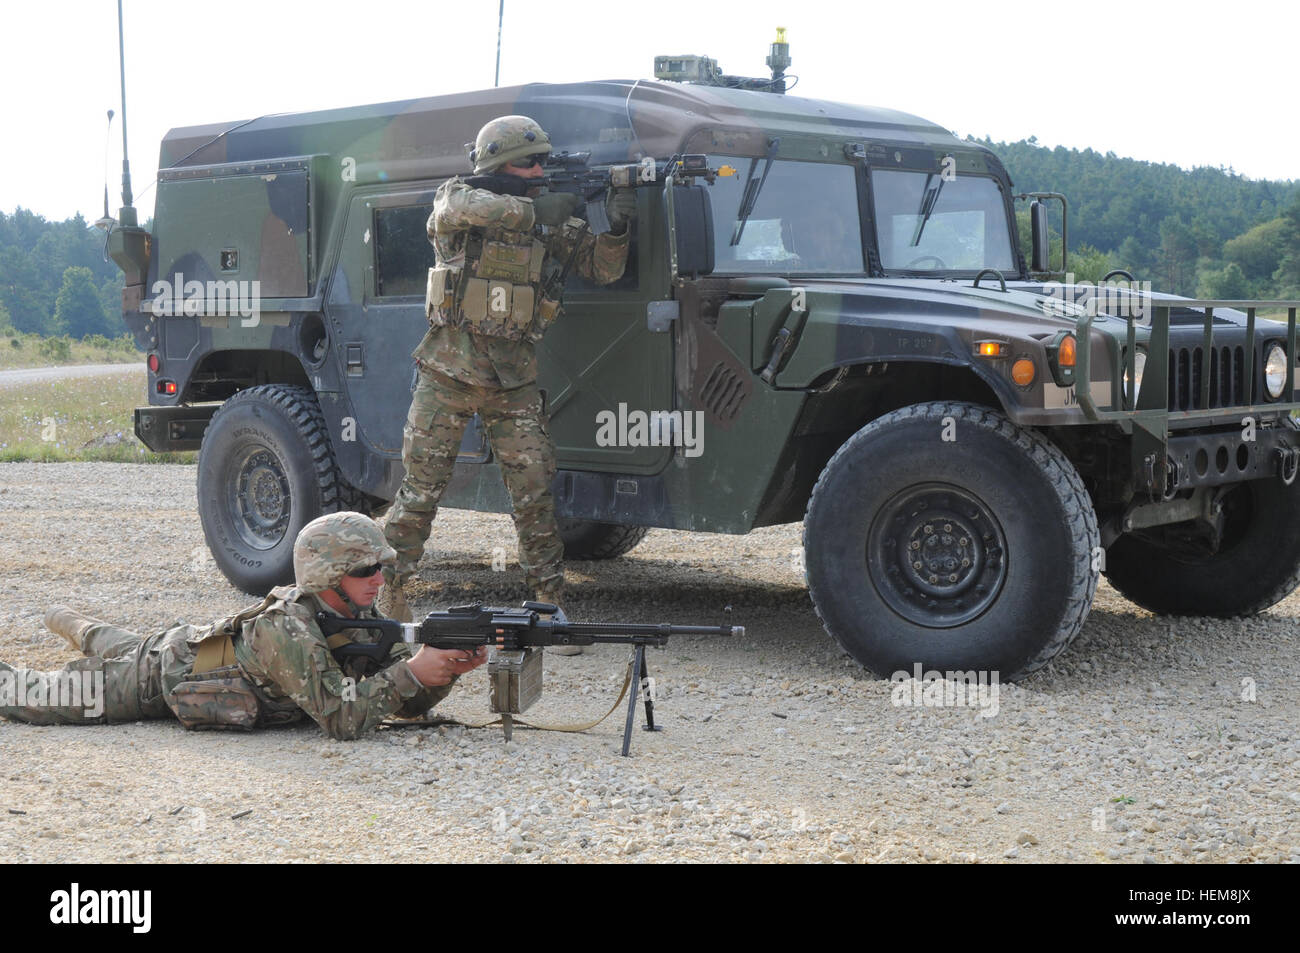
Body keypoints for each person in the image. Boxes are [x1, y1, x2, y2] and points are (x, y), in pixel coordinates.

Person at [380, 115, 636, 657]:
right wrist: (535, 207)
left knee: (535, 497)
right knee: (420, 494)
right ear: (497, 165)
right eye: (529, 162)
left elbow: (602, 268)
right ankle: (390, 599)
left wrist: (618, 223)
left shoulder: (546, 224)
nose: (540, 171)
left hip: (513, 381)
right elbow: (457, 207)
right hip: (447, 374)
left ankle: (547, 605)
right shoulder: (459, 202)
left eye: (544, 162)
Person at [0, 512, 486, 739]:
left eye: (381, 566)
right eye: (365, 570)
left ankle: (70, 621)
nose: (379, 579)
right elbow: (342, 717)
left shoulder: (359, 615)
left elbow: (403, 699)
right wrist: (415, 671)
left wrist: (442, 670)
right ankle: (68, 625)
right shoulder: (287, 628)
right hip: (160, 676)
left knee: (109, 639)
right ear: (327, 577)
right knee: (36, 697)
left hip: (184, 647)